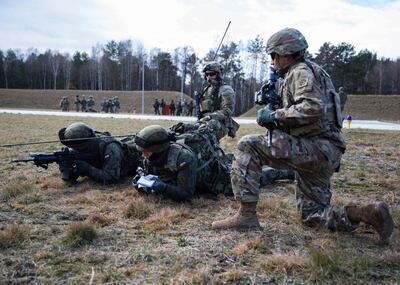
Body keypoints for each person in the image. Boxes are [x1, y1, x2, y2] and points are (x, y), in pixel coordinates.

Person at [211, 28, 394, 245]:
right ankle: (368, 213)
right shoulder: (314, 72)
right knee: (313, 214)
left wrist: (274, 115)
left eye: (274, 55)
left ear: (286, 53)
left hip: (314, 148)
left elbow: (312, 108)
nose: (273, 60)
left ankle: (246, 216)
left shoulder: (299, 72)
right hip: (325, 152)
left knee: (248, 145)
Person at [133, 124, 295, 201]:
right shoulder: (150, 155)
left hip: (219, 180)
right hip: (203, 170)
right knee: (233, 159)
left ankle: (287, 171)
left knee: (256, 177)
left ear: (160, 148)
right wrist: (141, 183)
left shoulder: (182, 158)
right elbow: (156, 177)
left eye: (146, 150)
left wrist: (162, 187)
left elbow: (185, 194)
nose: (144, 155)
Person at [58, 122, 142, 184]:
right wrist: (66, 166)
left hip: (139, 158)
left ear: (83, 145)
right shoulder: (85, 148)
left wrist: (87, 169)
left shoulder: (110, 148)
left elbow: (112, 177)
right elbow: (70, 180)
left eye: (75, 147)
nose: (73, 149)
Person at [199, 61, 239, 139]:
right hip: (206, 121)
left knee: (206, 131)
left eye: (211, 74)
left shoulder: (226, 90)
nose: (208, 77)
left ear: (218, 74)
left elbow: (227, 111)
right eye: (206, 75)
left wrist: (210, 117)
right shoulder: (206, 90)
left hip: (222, 123)